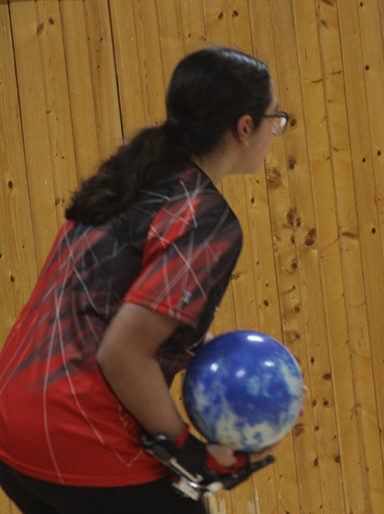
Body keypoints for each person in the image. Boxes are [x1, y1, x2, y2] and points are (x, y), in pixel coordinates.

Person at [0, 46, 291, 514]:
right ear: (244, 127)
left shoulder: (135, 174)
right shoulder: (207, 218)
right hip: (82, 436)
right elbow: (122, 351)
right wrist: (188, 453)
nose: (276, 130)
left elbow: (107, 309)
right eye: (274, 118)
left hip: (13, 428)